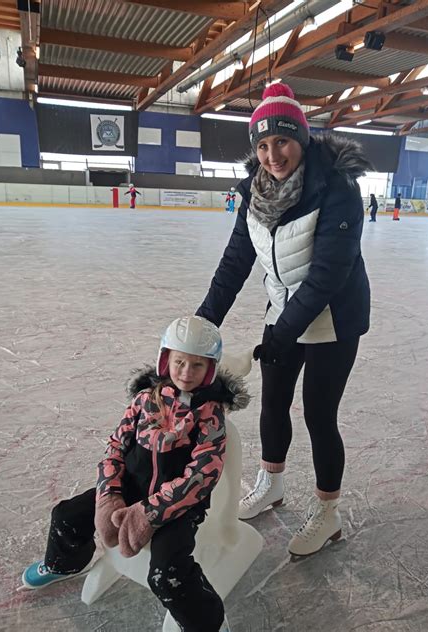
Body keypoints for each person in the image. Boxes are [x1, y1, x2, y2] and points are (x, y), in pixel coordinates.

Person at [196, 83, 371, 557]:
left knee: (318, 414)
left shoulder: (338, 188)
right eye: (263, 144)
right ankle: (272, 483)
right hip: (284, 312)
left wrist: (281, 332)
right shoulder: (255, 193)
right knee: (272, 404)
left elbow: (328, 275)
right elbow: (236, 260)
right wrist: (203, 322)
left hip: (335, 316)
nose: (273, 154)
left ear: (303, 139)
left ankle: (328, 512)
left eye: (283, 141)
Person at [21, 315, 250, 632]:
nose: (186, 373)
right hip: (130, 487)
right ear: (165, 359)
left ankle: (206, 622)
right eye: (180, 362)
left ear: (210, 369)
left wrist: (151, 513)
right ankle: (66, 563)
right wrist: (109, 494)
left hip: (178, 508)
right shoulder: (144, 402)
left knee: (167, 573)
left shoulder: (209, 417)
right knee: (66, 516)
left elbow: (203, 474)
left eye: (197, 366)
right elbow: (116, 446)